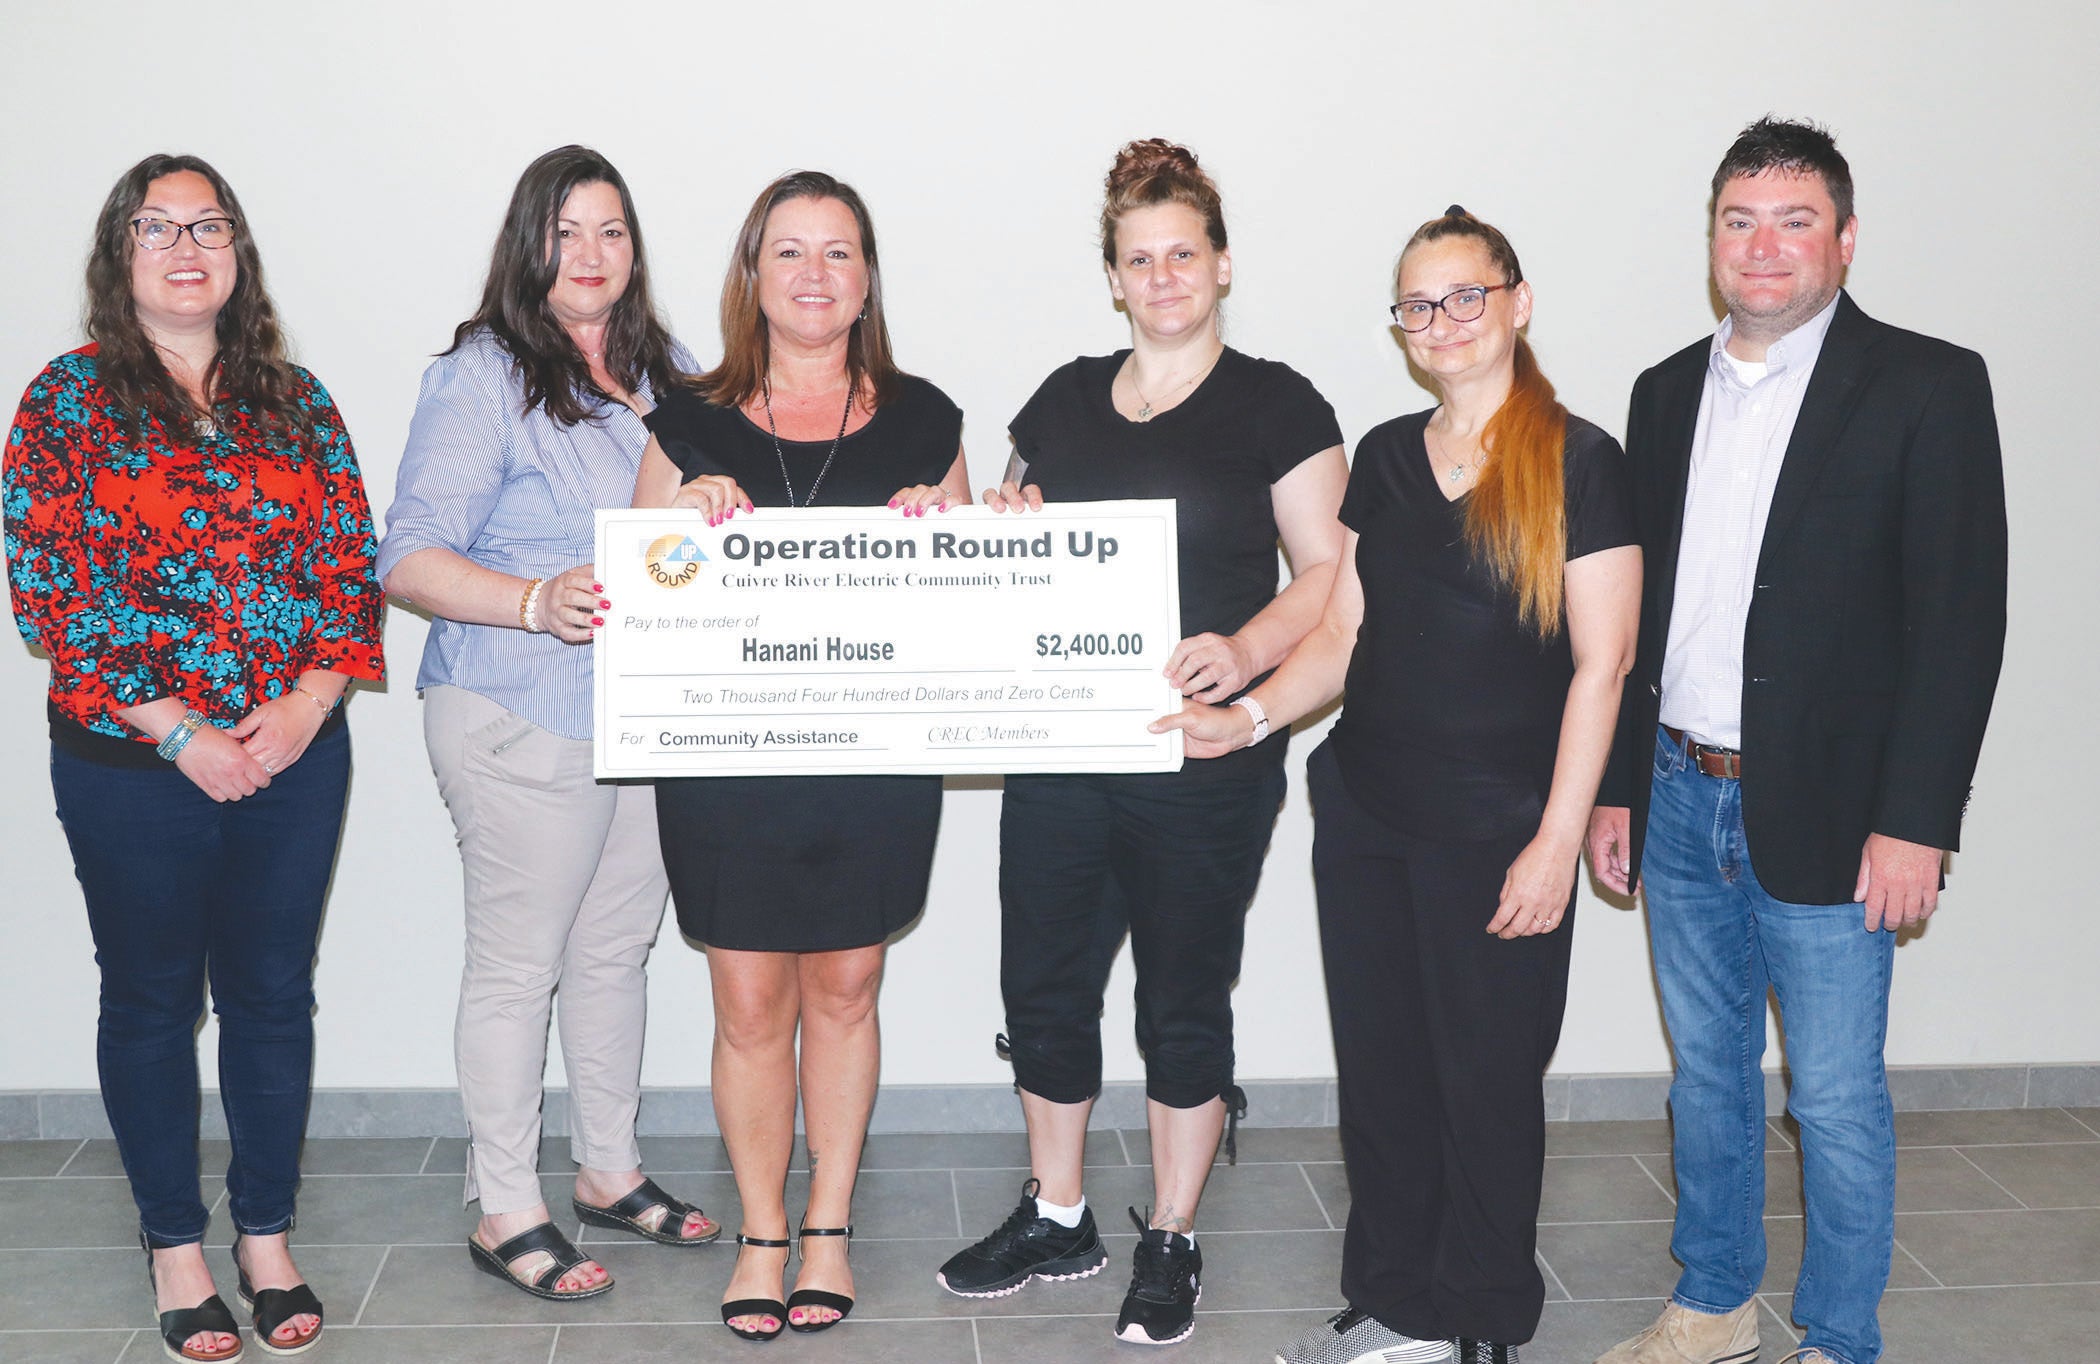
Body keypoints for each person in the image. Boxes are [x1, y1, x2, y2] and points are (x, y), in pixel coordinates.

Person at [1159, 206, 1642, 1364]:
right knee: (1383, 1073)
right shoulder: (1381, 455)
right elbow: (1343, 632)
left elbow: (1604, 663)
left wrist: (1556, 838)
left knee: (1483, 1080)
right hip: (1368, 818)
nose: (1442, 322)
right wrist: (1250, 718)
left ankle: (1479, 1315)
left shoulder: (1584, 461)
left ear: (1517, 301)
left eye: (1465, 296)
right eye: (1419, 305)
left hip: (1498, 829)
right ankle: (1391, 1297)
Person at [1586, 119, 2007, 1364]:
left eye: (1795, 220)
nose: (1764, 247)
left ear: (1846, 237)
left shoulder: (1929, 384)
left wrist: (1919, 817)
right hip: (1676, 792)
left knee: (1830, 1096)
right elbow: (1642, 617)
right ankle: (1714, 1304)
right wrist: (1617, 786)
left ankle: (1838, 1336)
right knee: (1704, 1079)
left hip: (1839, 808)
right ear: (1712, 240)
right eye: (1739, 220)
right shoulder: (1664, 394)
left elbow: (1959, 622)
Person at [932, 139, 1349, 1349]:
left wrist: (1246, 651)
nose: (1162, 276)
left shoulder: (1280, 402)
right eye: (1138, 259)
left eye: (1183, 254)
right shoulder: (1061, 399)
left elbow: (1330, 574)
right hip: (1060, 750)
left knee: (1182, 995)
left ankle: (1169, 1228)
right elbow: (1005, 559)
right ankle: (1058, 1210)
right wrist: (1002, 525)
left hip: (1203, 752)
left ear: (1221, 264)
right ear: (1111, 277)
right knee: (1045, 981)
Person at [4, 152, 386, 1362]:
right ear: (121, 257)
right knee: (154, 999)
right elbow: (50, 593)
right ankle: (176, 1243)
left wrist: (310, 701)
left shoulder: (298, 399)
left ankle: (265, 1235)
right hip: (132, 768)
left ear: (237, 254)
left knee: (275, 996)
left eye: (208, 225)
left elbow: (348, 572)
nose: (185, 245)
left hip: (294, 752)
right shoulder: (64, 402)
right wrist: (179, 728)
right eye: (156, 226)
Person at [632, 169, 970, 1342]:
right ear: (753, 275)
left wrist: (952, 536)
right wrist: (682, 521)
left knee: (848, 982)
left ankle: (827, 1222)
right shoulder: (685, 422)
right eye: (790, 251)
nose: (815, 274)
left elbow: (967, 608)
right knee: (746, 998)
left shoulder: (930, 421)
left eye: (839, 251)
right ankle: (762, 1229)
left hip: (873, 758)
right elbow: (643, 595)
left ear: (867, 275)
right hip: (729, 761)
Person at [376, 145, 717, 1304]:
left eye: (612, 231)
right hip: (518, 701)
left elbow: (691, 529)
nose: (591, 255)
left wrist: (722, 499)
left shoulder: (668, 371)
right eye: (567, 231)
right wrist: (532, 598)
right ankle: (506, 1204)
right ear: (532, 245)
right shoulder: (483, 374)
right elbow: (407, 555)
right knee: (519, 969)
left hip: (643, 713)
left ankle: (609, 1169)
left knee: (615, 950)